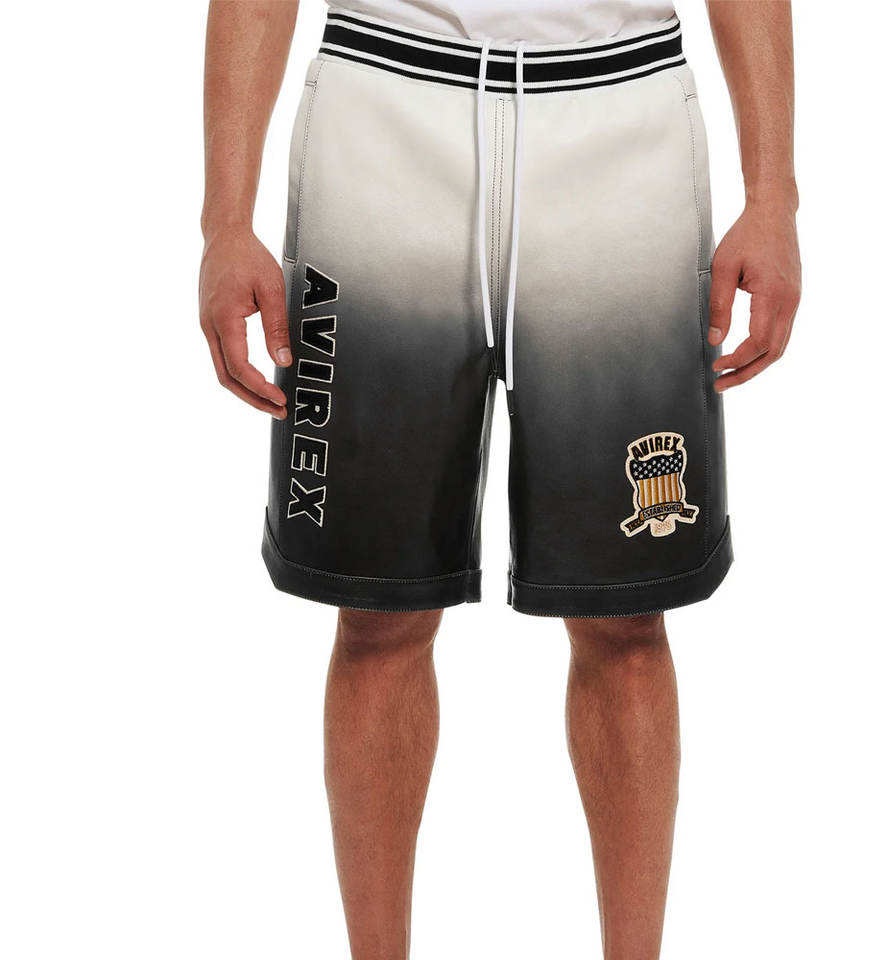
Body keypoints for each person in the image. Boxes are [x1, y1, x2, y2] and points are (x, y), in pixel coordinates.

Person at [199, 1, 800, 955]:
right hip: (384, 119)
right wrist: (224, 219)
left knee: (627, 617)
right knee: (376, 611)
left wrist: (773, 196)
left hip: (620, 125)